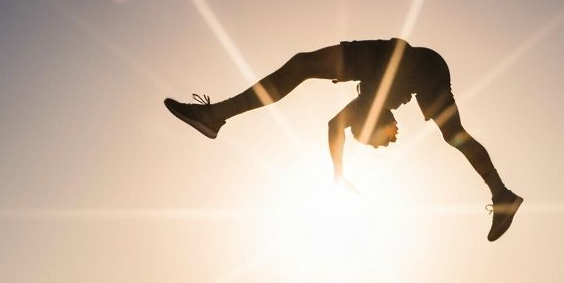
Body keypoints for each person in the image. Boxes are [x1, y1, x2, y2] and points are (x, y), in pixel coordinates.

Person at [165, 37, 523, 241]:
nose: (387, 143)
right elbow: (335, 127)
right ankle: (501, 194)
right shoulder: (364, 105)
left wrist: (338, 175)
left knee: (303, 65)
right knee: (453, 135)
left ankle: (217, 115)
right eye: (381, 142)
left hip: (406, 63)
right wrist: (337, 174)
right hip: (417, 65)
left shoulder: (363, 105)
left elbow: (334, 126)